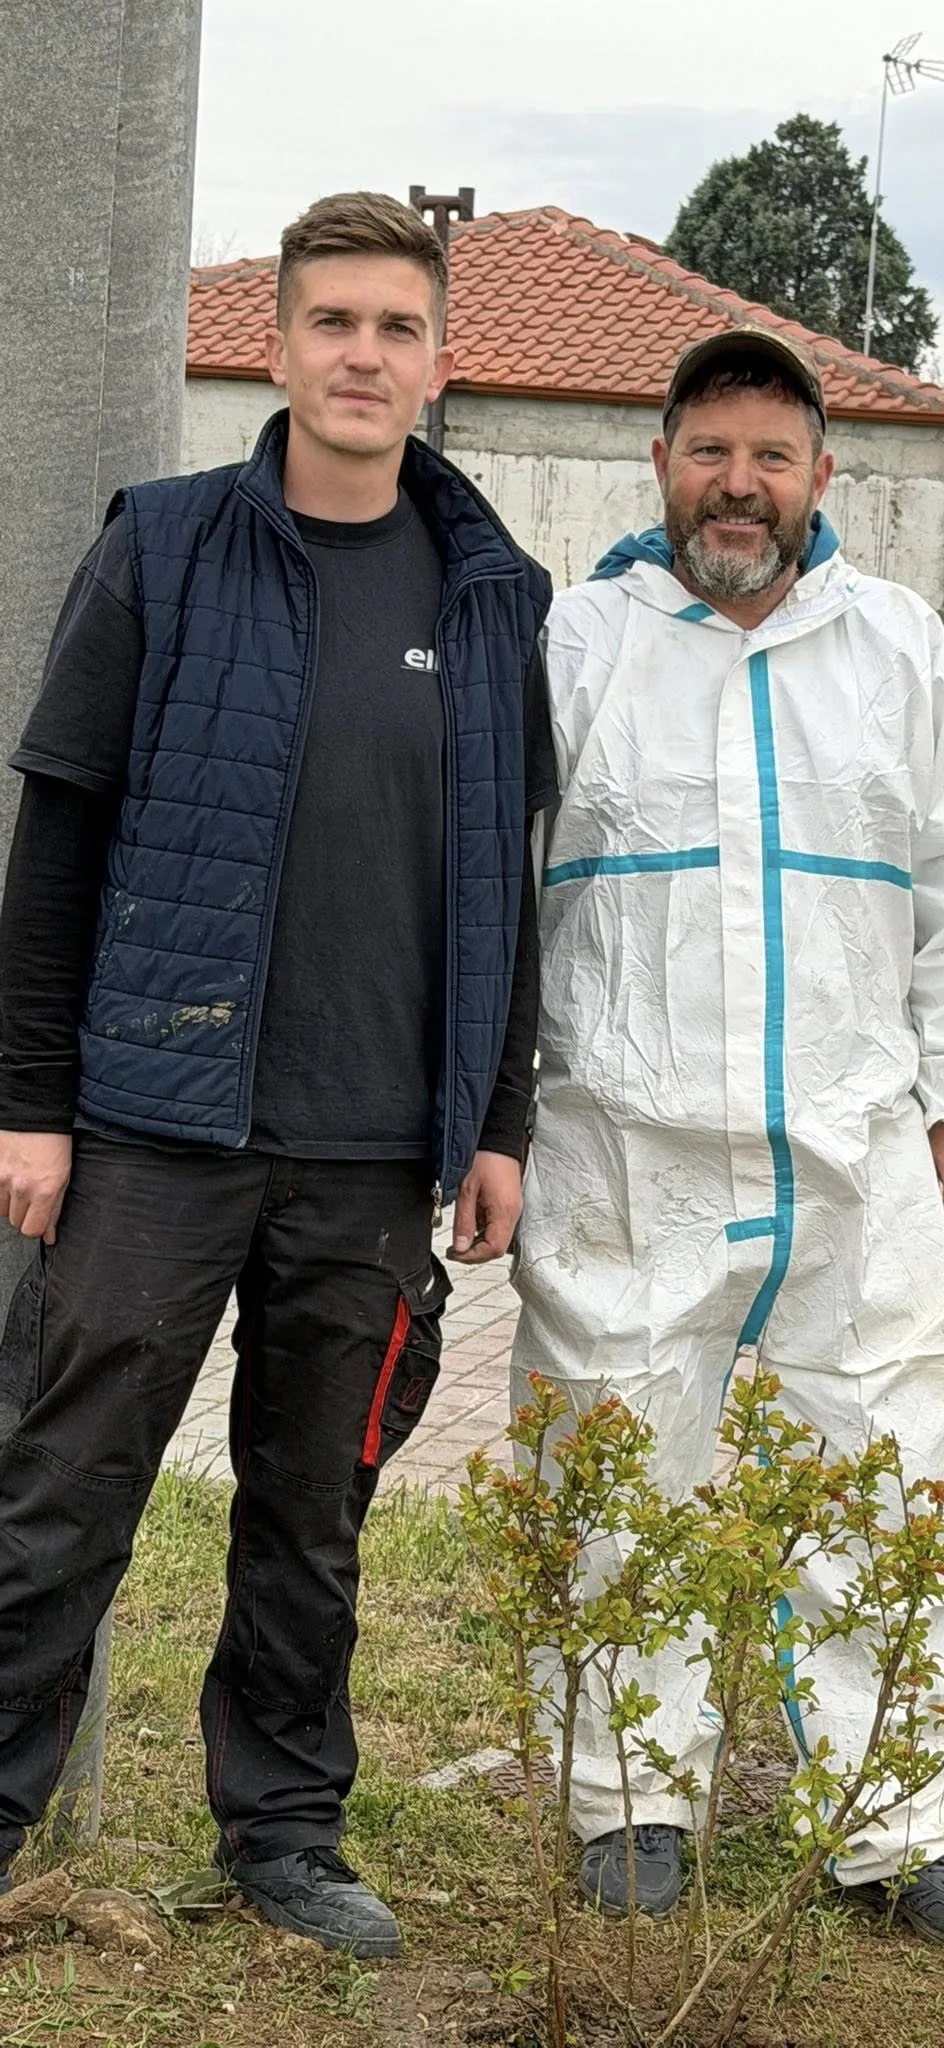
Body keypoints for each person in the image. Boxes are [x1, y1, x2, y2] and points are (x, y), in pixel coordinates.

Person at [0, 191, 554, 1956]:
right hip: (152, 1126)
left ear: (440, 362)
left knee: (315, 1516)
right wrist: (28, 1104)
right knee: (59, 1488)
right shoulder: (163, 548)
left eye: (397, 329)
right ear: (277, 345)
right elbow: (58, 841)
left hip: (378, 1148)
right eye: (334, 323)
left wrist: (498, 1122)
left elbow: (505, 881)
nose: (363, 356)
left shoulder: (494, 595)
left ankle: (285, 1832)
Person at [511, 327, 944, 1956]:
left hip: (856, 1152)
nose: (739, 486)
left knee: (889, 1478)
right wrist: (495, 1118)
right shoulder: (572, 647)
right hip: (623, 1152)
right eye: (710, 452)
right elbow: (489, 893)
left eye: (772, 457)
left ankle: (895, 1823)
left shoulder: (897, 651)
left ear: (822, 475)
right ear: (659, 462)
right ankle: (629, 1804)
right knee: (614, 1466)